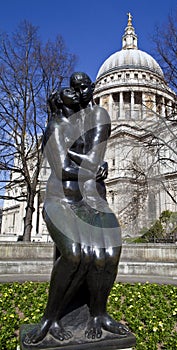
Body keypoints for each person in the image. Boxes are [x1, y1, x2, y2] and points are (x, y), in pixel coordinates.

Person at [24, 73, 128, 345]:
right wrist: (94, 169)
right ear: (60, 103)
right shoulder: (57, 126)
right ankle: (51, 317)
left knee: (108, 253)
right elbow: (63, 168)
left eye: (82, 87)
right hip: (62, 199)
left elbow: (92, 156)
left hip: (88, 199)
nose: (76, 93)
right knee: (74, 255)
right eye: (70, 91)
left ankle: (98, 314)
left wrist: (92, 166)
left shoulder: (93, 119)